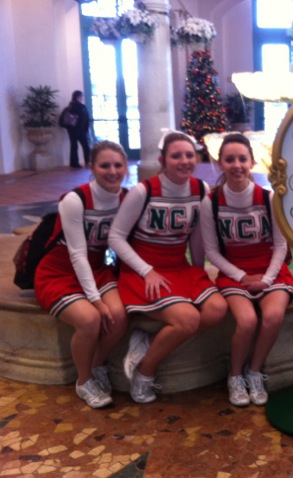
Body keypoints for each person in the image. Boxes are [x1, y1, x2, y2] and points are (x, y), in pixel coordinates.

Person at [108, 131, 228, 404]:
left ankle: (147, 342)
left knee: (217, 309)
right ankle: (144, 373)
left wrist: (198, 271)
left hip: (178, 267)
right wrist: (146, 270)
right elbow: (115, 237)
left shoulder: (200, 189)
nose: (184, 161)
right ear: (163, 160)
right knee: (188, 319)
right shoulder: (144, 191)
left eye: (189, 155)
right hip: (144, 271)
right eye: (176, 156)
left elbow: (196, 235)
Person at [200, 134, 293, 407]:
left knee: (273, 316)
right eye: (229, 159)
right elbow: (212, 252)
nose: (237, 165)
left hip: (270, 270)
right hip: (235, 273)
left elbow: (281, 245)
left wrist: (266, 279)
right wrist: (242, 277)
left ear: (252, 162)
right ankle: (234, 375)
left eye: (242, 159)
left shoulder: (268, 198)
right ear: (220, 163)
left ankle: (254, 371)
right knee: (246, 321)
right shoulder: (211, 202)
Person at [34, 140, 129, 408]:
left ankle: (96, 365)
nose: (112, 171)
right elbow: (76, 253)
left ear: (125, 167)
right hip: (59, 271)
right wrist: (96, 300)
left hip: (97, 268)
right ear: (92, 168)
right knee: (89, 320)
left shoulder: (127, 198)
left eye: (118, 165)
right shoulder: (75, 200)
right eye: (105, 165)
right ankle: (84, 381)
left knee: (119, 316)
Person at [61, 90, 91, 169]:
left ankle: (74, 163)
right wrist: (86, 128)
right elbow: (85, 118)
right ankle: (88, 161)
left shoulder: (70, 106)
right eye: (81, 96)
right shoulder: (81, 107)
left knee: (74, 145)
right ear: (78, 97)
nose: (82, 97)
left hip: (72, 129)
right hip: (80, 129)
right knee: (85, 146)